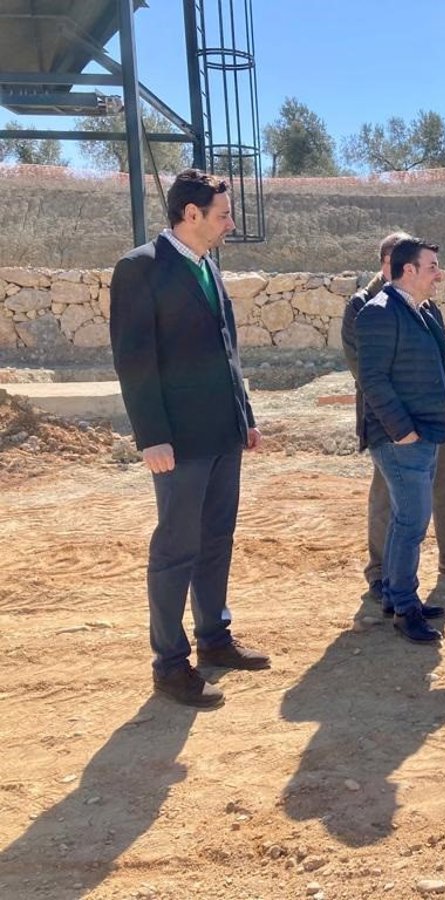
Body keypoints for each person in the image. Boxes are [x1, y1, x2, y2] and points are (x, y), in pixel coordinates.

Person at [109, 169, 269, 709]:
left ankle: (214, 638)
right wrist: (151, 436)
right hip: (177, 441)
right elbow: (134, 358)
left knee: (216, 539)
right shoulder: (141, 267)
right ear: (191, 214)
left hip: (223, 433)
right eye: (223, 214)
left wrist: (245, 415)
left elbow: (227, 350)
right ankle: (170, 664)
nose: (231, 223)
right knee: (176, 549)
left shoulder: (208, 267)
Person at [342, 233, 445, 609]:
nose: (439, 275)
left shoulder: (425, 307)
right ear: (399, 266)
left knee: (432, 497)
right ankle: (388, 582)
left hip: (434, 424)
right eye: (432, 267)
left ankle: (435, 569)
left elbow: (443, 362)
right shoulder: (369, 307)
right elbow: (369, 375)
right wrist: (401, 428)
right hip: (398, 430)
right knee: (400, 511)